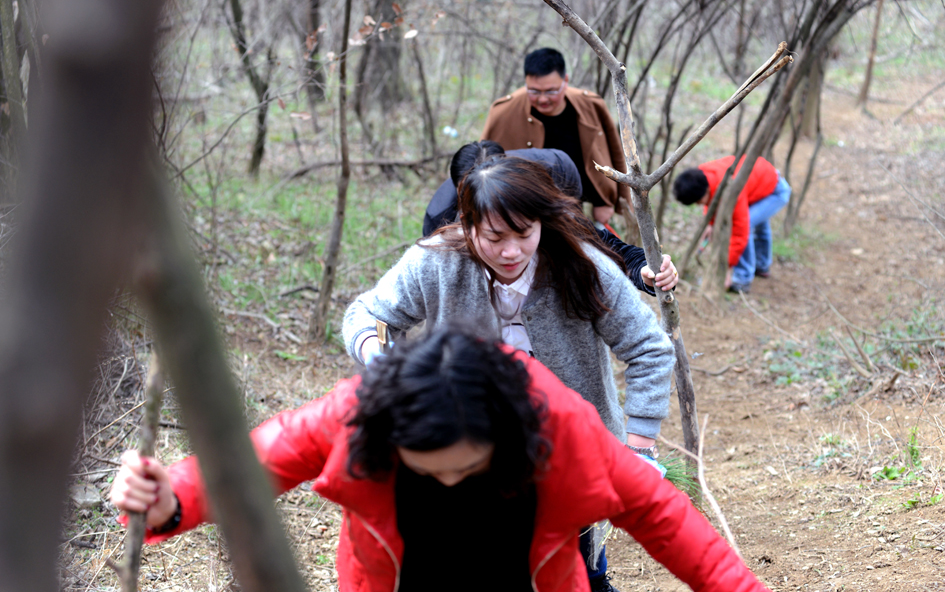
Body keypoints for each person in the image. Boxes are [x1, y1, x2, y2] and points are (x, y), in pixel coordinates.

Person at [110, 328, 771, 592]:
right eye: (430, 468)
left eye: (467, 466)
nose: (451, 480)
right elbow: (255, 459)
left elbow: (659, 511)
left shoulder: (559, 423)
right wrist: (172, 499)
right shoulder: (358, 411)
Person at [344, 156, 676, 591]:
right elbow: (367, 313)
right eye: (494, 237)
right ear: (469, 225)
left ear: (542, 222)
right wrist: (382, 362)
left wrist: (640, 444)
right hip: (470, 448)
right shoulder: (436, 263)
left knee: (576, 562)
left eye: (524, 234)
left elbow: (649, 346)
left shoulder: (584, 265)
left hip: (570, 446)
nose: (511, 251)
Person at [422, 140, 678, 294]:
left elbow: (603, 247)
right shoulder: (440, 221)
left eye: (521, 232)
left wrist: (647, 271)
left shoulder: (539, 203)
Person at [481, 47, 630, 226]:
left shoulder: (590, 105)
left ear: (565, 81)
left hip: (578, 205)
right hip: (523, 210)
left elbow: (614, 153)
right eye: (534, 91)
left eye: (551, 91)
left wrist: (608, 201)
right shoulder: (503, 112)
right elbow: (484, 164)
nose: (543, 99)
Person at [673, 155, 792, 294]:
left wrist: (726, 269)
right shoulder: (701, 176)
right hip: (760, 184)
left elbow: (739, 233)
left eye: (698, 202)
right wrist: (711, 223)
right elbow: (712, 199)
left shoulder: (730, 190)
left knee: (747, 224)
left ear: (704, 192)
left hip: (775, 191)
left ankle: (743, 279)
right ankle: (762, 265)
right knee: (758, 225)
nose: (700, 205)